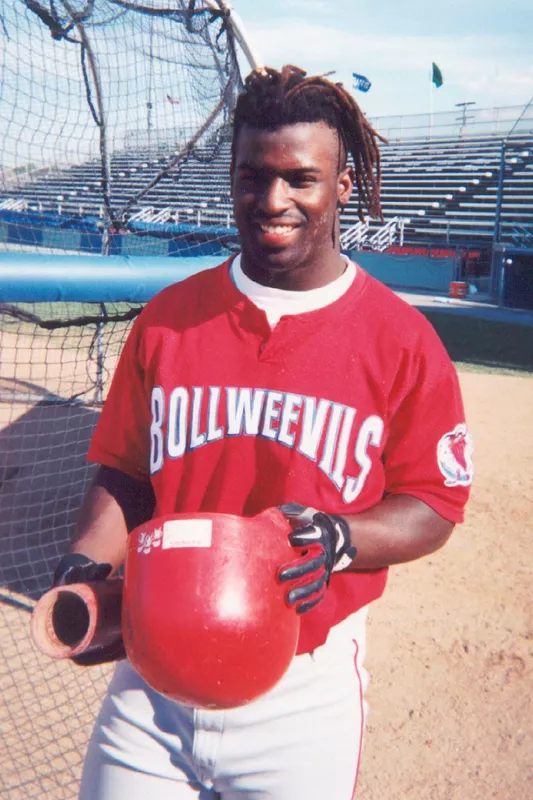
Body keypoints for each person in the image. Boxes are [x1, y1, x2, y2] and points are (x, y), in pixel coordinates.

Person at [53, 65, 473, 799]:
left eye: (299, 179)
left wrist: (345, 538)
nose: (272, 201)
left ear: (341, 186)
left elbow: (433, 503)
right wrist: (87, 564)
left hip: (301, 695)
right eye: (253, 177)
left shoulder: (400, 339)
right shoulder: (168, 320)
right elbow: (124, 472)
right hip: (149, 684)